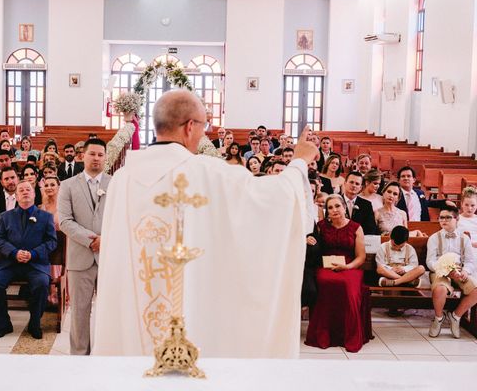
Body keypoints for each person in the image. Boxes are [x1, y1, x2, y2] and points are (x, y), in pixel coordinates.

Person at [93, 89, 317, 359]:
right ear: (189, 127)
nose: (203, 133)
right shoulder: (209, 173)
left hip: (134, 320)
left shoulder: (122, 179)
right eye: (203, 126)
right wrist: (299, 162)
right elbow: (273, 200)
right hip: (191, 316)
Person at [58, 138, 110, 355]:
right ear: (82, 156)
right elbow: (64, 221)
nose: (96, 158)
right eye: (92, 154)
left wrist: (105, 240)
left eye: (100, 155)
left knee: (110, 311)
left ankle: (107, 353)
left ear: (106, 157)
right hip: (80, 257)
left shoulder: (115, 184)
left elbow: (122, 217)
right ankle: (79, 356)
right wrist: (92, 240)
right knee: (80, 311)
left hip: (109, 257)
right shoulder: (68, 185)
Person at [0, 181, 57, 340]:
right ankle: (3, 324)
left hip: (36, 263)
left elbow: (52, 241)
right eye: (21, 190)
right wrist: (14, 252)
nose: (25, 192)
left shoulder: (46, 217)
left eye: (29, 189)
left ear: (34, 194)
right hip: (10, 262)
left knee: (41, 283)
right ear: (17, 196)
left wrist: (33, 254)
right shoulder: (5, 216)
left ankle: (34, 323)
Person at [305, 194, 371, 353]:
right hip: (326, 266)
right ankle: (324, 334)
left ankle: (348, 335)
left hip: (350, 266)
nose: (334, 210)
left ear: (344, 207)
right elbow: (311, 244)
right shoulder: (320, 226)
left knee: (347, 285)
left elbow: (361, 257)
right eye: (330, 208)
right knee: (325, 282)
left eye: (337, 206)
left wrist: (347, 267)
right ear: (326, 211)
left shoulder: (356, 227)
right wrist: (308, 239)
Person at [426, 206, 477, 339]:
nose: (444, 220)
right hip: (440, 271)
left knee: (476, 289)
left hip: (459, 271)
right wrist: (445, 270)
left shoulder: (464, 238)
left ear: (456, 219)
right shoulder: (434, 238)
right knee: (440, 289)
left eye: (448, 217)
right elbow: (430, 261)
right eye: (441, 217)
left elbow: (470, 260)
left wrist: (466, 271)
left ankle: (456, 316)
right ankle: (438, 318)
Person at [39, 175, 64, 305]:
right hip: (46, 246)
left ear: (58, 187)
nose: (49, 187)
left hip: (61, 246)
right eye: (46, 185)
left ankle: (58, 297)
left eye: (52, 185)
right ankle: (47, 296)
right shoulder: (41, 206)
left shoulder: (64, 205)